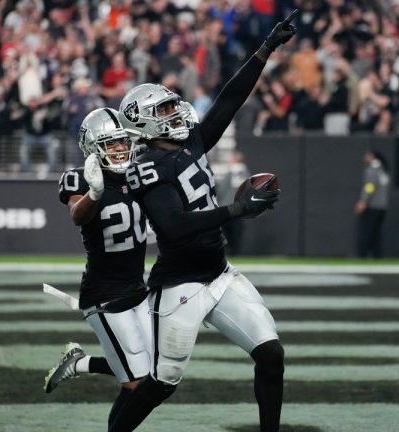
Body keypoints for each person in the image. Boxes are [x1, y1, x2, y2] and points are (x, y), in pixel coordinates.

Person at [103, 10, 296, 431]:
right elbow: (174, 226)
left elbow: (230, 100)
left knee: (271, 354)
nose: (175, 112)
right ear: (143, 121)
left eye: (172, 105)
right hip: (180, 285)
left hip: (219, 274)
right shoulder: (146, 167)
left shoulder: (190, 141)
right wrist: (236, 210)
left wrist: (265, 50)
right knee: (159, 383)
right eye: (164, 108)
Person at [43, 108, 153, 428]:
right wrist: (95, 193)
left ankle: (78, 363)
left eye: (123, 141)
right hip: (105, 295)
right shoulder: (81, 177)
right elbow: (77, 214)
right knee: (136, 384)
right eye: (111, 143)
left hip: (137, 287)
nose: (120, 148)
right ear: (92, 147)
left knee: (157, 370)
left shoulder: (137, 173)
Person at [354, 150, 390, 258]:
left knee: (366, 231)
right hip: (382, 206)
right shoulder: (383, 170)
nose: (365, 157)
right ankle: (377, 255)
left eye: (367, 155)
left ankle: (362, 254)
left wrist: (363, 201)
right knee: (376, 232)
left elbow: (369, 186)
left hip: (373, 205)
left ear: (372, 156)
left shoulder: (372, 170)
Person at [218, 150, 251, 256]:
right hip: (240, 207)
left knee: (226, 230)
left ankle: (229, 251)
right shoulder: (246, 173)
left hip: (228, 206)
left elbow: (222, 189)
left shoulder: (231, 172)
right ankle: (235, 251)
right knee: (236, 231)